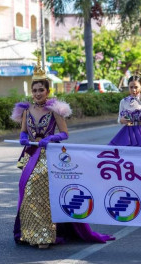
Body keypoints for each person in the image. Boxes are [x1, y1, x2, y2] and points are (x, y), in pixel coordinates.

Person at [11, 60, 114, 248]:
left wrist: (50, 139)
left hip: (51, 156)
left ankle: (45, 235)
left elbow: (65, 133)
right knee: (28, 192)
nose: (37, 93)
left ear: (48, 91)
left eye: (41, 90)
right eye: (34, 91)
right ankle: (29, 233)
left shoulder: (54, 110)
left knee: (42, 193)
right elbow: (24, 130)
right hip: (31, 155)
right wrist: (23, 138)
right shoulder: (27, 110)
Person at [109, 75, 141, 146]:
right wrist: (121, 120)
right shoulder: (123, 101)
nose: (133, 90)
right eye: (131, 87)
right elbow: (119, 119)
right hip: (127, 132)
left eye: (136, 87)